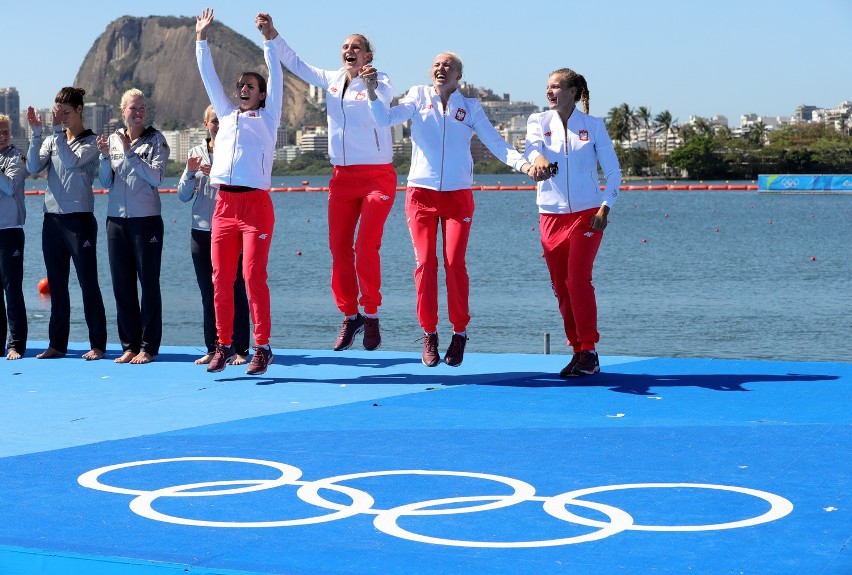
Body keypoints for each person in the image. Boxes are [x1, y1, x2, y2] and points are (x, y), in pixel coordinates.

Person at [363, 53, 533, 367]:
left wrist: (524, 165)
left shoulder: (470, 107)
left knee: (455, 263)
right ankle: (429, 334)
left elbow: (497, 143)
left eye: (448, 66)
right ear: (432, 72)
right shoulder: (417, 96)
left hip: (457, 198)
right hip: (421, 196)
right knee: (426, 263)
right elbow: (385, 119)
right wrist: (372, 91)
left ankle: (460, 333)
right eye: (437, 65)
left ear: (458, 75)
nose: (442, 69)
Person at [268, 26, 396, 352]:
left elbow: (382, 112)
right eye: (345, 46)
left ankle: (371, 314)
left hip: (377, 177)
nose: (349, 50)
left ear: (367, 55)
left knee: (366, 245)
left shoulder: (381, 80)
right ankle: (350, 315)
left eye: (356, 47)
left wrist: (369, 86)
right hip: (341, 176)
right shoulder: (333, 80)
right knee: (339, 249)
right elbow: (295, 63)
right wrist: (272, 36)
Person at [195, 8, 283, 375]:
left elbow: (275, 73)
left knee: (251, 276)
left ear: (262, 95)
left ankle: (262, 347)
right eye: (240, 85)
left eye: (251, 85)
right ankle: (223, 344)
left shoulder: (268, 117)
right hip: (224, 206)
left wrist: (268, 38)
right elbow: (208, 76)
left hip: (255, 206)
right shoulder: (226, 114)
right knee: (220, 278)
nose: (243, 88)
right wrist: (200, 38)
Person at [525, 68, 621, 378]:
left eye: (555, 87)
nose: (549, 92)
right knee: (561, 287)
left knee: (577, 278)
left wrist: (607, 206)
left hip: (588, 214)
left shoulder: (593, 126)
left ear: (573, 92)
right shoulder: (537, 122)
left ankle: (590, 350)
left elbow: (614, 172)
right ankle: (578, 349)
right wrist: (537, 160)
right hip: (550, 215)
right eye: (547, 87)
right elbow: (532, 149)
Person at [26, 88, 107, 361]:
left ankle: (97, 343)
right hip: (52, 222)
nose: (62, 117)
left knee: (88, 284)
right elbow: (34, 166)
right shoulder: (52, 139)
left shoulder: (92, 142)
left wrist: (57, 131)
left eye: (67, 113)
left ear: (79, 110)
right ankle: (57, 344)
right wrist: (37, 134)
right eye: (59, 113)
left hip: (79, 222)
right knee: (57, 286)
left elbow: (72, 163)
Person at [97, 88, 169, 364]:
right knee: (122, 285)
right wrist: (105, 156)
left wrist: (130, 154)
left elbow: (156, 178)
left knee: (148, 284)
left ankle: (148, 346)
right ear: (123, 111)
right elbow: (105, 182)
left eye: (141, 108)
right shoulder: (114, 139)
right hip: (116, 221)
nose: (137, 113)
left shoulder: (157, 140)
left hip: (146, 221)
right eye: (132, 108)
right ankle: (129, 344)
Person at [177, 104, 250, 365]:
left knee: (235, 289)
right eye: (213, 121)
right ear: (205, 124)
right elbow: (183, 196)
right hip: (201, 231)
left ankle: (241, 349)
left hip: (230, 231)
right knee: (208, 292)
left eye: (221, 120)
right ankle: (214, 347)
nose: (217, 125)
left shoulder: (236, 150)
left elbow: (243, 188)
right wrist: (189, 173)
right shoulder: (196, 153)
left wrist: (218, 175)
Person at [0, 114, 27, 360]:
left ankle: (16, 344)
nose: (3, 134)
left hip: (10, 232)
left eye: (6, 130)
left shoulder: (17, 156)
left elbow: (9, 186)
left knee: (12, 289)